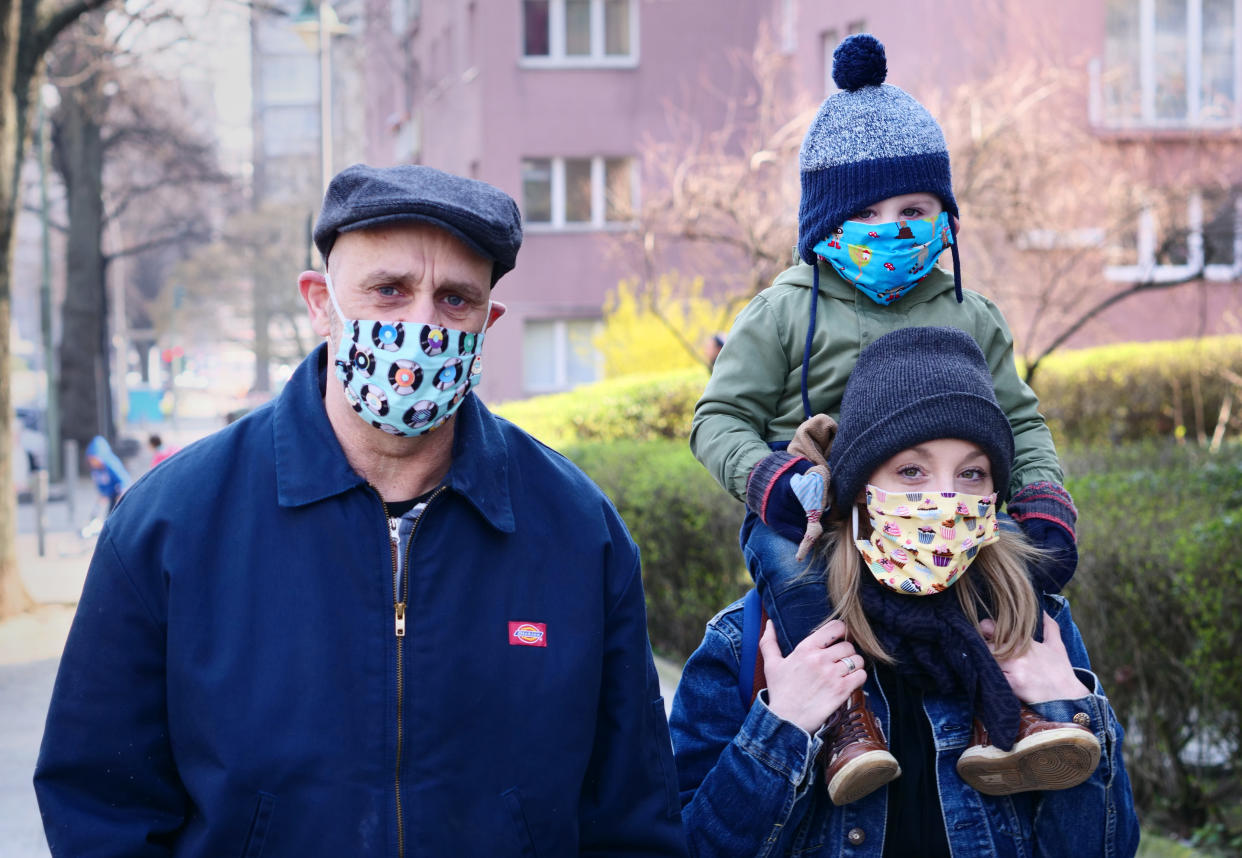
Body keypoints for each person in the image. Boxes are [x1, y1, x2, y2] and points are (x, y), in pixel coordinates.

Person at [35, 164, 687, 856]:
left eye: (455, 300)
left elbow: (633, 817)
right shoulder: (171, 527)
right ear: (320, 303)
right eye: (389, 291)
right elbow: (99, 808)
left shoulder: (579, 534)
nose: (421, 325)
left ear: (488, 322)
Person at [690, 34, 1079, 799]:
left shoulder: (973, 314)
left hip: (939, 498)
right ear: (824, 219)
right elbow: (717, 417)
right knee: (787, 570)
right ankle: (844, 723)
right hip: (811, 504)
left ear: (946, 216)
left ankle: (1015, 721)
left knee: (1010, 575)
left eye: (913, 208)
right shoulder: (779, 312)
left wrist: (1042, 494)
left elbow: (1021, 420)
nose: (892, 228)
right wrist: (771, 477)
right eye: (865, 212)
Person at [672, 327, 1140, 857]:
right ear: (857, 490)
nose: (944, 497)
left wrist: (1068, 705)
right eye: (911, 471)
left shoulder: (1033, 626)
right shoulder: (752, 642)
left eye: (971, 473)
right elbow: (685, 845)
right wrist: (781, 726)